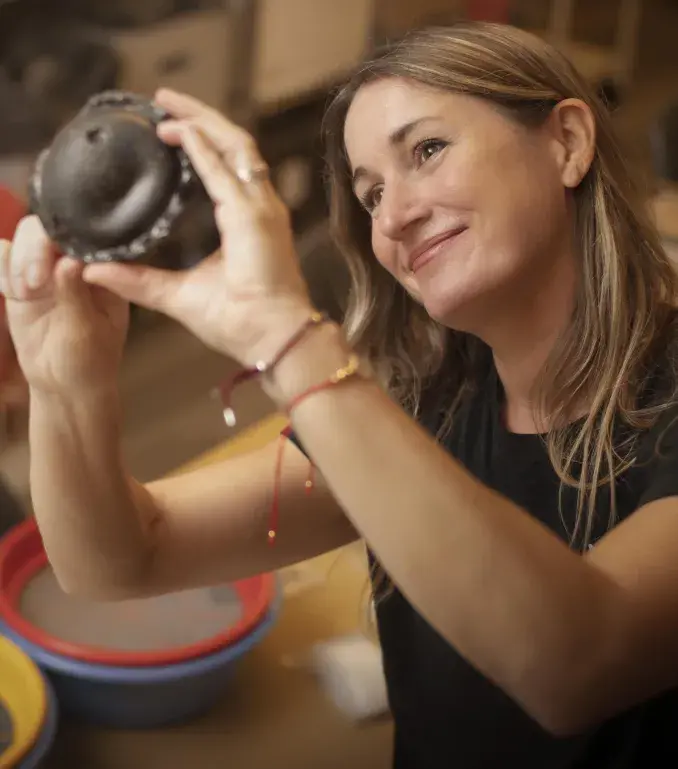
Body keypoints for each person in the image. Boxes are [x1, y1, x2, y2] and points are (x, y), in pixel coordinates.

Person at [1, 21, 678, 769]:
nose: (392, 217)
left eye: (427, 150)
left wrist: (288, 337)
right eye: (371, 193)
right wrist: (66, 381)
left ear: (567, 142)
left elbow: (576, 663)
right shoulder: (427, 403)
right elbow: (120, 560)